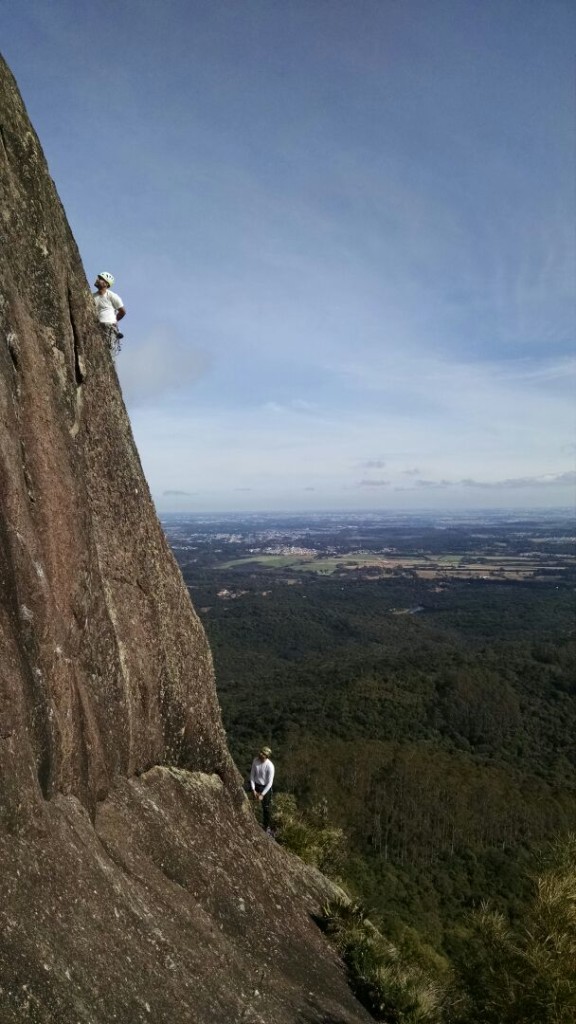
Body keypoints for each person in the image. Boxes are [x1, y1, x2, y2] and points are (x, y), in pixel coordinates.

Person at [93, 272, 126, 354]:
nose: (97, 280)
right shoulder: (92, 296)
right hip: (97, 325)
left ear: (106, 284)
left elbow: (122, 311)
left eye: (100, 279)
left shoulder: (112, 296)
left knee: (107, 350)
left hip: (109, 326)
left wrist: (115, 320)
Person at [250, 746, 274, 831]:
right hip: (256, 785)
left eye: (263, 754)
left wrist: (262, 794)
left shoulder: (270, 766)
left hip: (265, 787)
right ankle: (252, 821)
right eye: (261, 752)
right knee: (253, 805)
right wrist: (253, 789)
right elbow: (252, 775)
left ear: (266, 756)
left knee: (266, 808)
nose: (260, 754)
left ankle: (266, 826)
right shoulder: (255, 760)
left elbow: (270, 783)